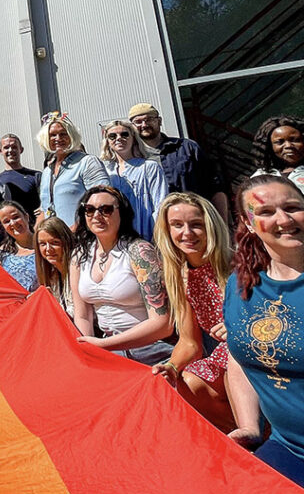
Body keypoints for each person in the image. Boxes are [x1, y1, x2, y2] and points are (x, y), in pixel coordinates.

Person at [223, 174, 304, 483]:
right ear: (249, 223)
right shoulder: (241, 285)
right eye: (267, 212)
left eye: (293, 207)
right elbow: (239, 355)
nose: (283, 219)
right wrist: (250, 427)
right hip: (286, 449)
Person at [151, 191, 253, 434]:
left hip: (251, 350)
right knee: (186, 381)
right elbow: (189, 342)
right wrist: (172, 367)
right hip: (222, 356)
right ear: (167, 230)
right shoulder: (180, 276)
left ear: (210, 227)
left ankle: (254, 436)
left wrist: (237, 325)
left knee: (229, 366)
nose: (186, 233)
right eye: (177, 225)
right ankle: (238, 438)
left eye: (196, 225)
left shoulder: (238, 264)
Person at [70, 185, 172, 365]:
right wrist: (90, 350)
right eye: (89, 209)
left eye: (106, 210)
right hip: (106, 350)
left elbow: (163, 325)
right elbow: (83, 315)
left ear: (122, 213)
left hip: (149, 349)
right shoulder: (79, 255)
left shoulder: (140, 252)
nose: (96, 215)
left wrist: (103, 345)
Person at [128, 103, 227, 221]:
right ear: (132, 127)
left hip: (194, 221)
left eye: (149, 119)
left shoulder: (187, 148)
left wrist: (222, 224)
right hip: (155, 228)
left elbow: (215, 188)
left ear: (159, 121)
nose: (144, 125)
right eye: (138, 122)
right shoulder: (131, 158)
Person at [36, 112, 109, 228]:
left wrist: (74, 231)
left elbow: (103, 200)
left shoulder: (87, 162)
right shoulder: (47, 171)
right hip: (53, 241)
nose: (58, 139)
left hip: (82, 238)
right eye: (52, 135)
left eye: (63, 134)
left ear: (72, 136)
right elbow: (44, 210)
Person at [99, 119, 168, 239]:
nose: (119, 138)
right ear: (108, 141)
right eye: (112, 136)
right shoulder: (105, 171)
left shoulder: (149, 167)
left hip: (147, 236)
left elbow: (161, 205)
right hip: (116, 240)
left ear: (134, 138)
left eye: (124, 134)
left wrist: (158, 237)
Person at [251, 116, 304, 194]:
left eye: (295, 140)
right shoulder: (260, 178)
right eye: (280, 142)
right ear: (269, 147)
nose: (288, 145)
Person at [0, 133, 41, 217]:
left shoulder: (36, 176)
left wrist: (43, 208)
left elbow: (48, 199)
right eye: (6, 147)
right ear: (0, 151)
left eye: (14, 147)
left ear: (21, 149)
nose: (10, 150)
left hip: (34, 227)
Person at [34, 216, 75, 315]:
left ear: (66, 242)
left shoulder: (80, 271)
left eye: (54, 243)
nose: (48, 249)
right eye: (43, 244)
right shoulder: (52, 276)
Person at [0, 202, 39, 292]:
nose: (13, 223)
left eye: (16, 217)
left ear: (26, 217)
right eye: (6, 221)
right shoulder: (2, 253)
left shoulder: (44, 245)